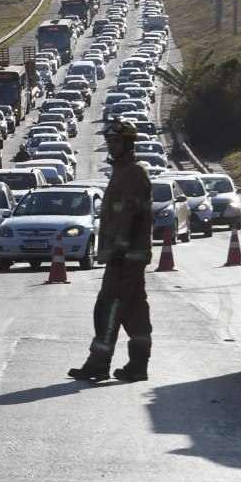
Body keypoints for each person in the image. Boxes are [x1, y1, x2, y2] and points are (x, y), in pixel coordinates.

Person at [69, 119, 153, 383]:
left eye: (115, 141)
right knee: (135, 311)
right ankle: (138, 366)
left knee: (108, 308)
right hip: (127, 259)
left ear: (128, 143)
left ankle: (98, 364)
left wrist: (119, 250)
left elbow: (130, 216)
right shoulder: (123, 171)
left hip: (125, 258)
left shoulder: (133, 173)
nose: (110, 145)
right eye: (109, 141)